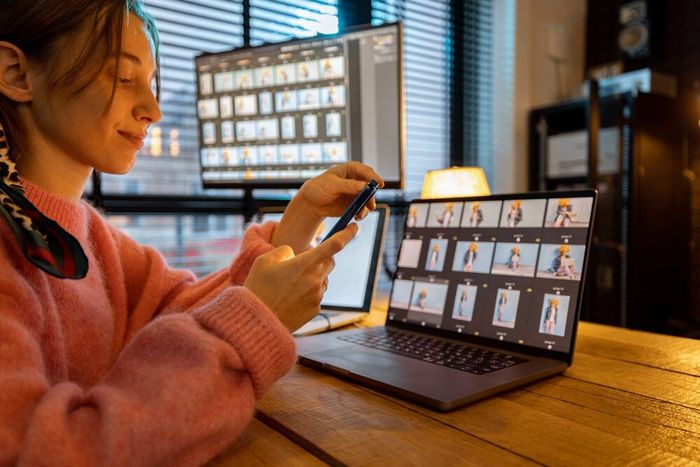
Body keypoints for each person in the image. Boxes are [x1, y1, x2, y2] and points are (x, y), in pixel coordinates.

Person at [0, 1, 384, 464]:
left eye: (151, 82)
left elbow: (182, 309)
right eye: (124, 78)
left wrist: (298, 221)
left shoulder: (92, 238)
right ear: (17, 74)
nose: (153, 109)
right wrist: (257, 316)